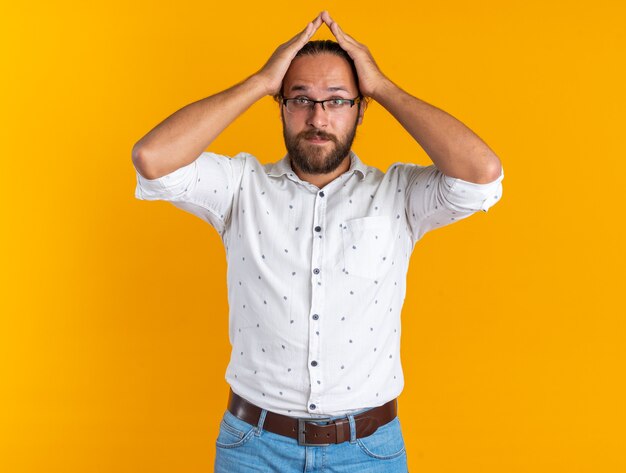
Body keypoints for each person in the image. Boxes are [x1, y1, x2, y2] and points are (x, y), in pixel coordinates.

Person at [132, 11, 503, 473]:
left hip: (368, 452)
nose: (317, 117)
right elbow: (152, 160)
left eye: (337, 100)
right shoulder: (239, 186)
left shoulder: (399, 193)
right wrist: (261, 81)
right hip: (254, 448)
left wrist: (384, 86)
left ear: (361, 108)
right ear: (282, 107)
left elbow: (482, 176)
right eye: (300, 99)